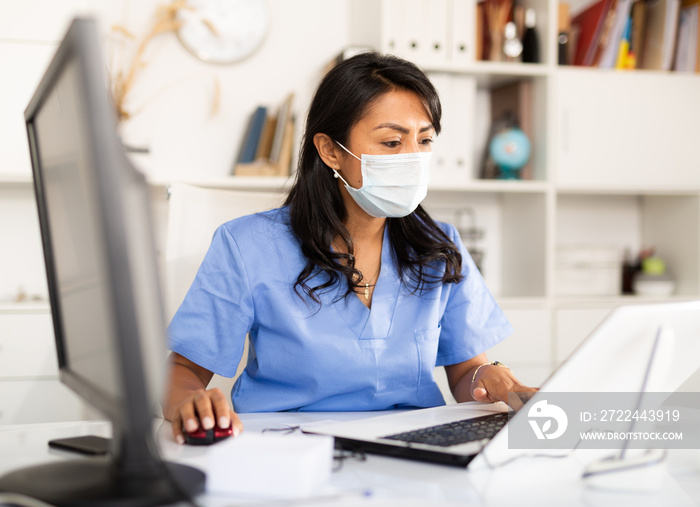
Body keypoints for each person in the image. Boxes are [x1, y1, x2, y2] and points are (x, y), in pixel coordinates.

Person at [163, 52, 536, 444]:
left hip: (413, 453)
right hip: (284, 451)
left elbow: (464, 375)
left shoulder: (439, 246)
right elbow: (183, 370)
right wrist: (191, 402)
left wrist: (490, 379)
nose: (412, 157)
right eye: (392, 141)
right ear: (331, 151)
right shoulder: (247, 245)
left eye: (424, 139)